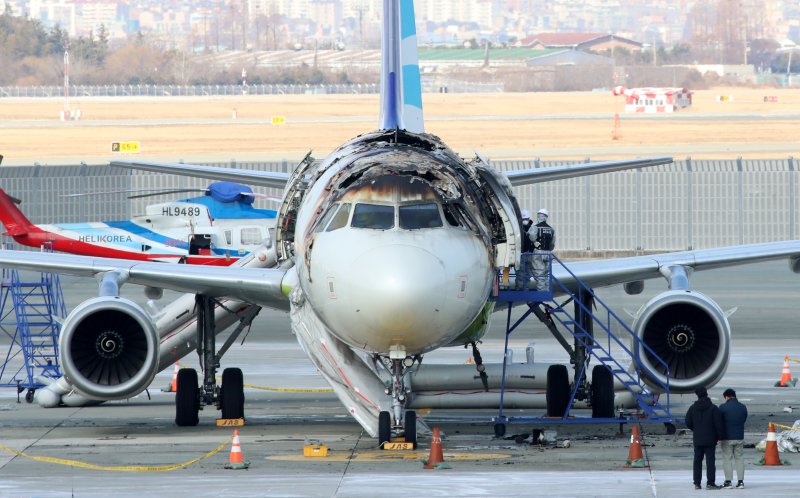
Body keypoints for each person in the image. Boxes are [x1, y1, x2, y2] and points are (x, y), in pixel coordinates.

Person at [685, 386, 724, 490]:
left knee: (697, 461)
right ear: (706, 393)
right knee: (710, 462)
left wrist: (696, 429)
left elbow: (688, 422)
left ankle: (697, 483)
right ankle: (710, 483)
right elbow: (718, 424)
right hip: (710, 439)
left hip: (698, 439)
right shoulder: (713, 408)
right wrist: (720, 436)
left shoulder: (693, 408)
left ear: (697, 395)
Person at [719, 388, 748, 489]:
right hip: (739, 436)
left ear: (726, 397)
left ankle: (728, 481)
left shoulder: (722, 407)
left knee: (727, 459)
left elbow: (719, 422)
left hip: (726, 437)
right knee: (739, 459)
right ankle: (740, 482)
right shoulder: (743, 407)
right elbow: (744, 419)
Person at [528, 208, 555, 291]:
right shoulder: (551, 229)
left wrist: (534, 242)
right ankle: (546, 289)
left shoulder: (535, 227)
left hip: (538, 252)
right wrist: (549, 249)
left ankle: (541, 291)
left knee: (539, 272)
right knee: (546, 273)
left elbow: (531, 236)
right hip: (548, 253)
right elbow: (552, 243)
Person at [515, 210, 535, 290]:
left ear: (529, 218)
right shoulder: (517, 229)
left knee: (527, 273)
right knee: (520, 272)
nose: (525, 220)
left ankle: (525, 288)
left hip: (529, 253)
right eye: (523, 219)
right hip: (520, 253)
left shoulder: (533, 228)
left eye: (526, 219)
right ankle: (519, 288)